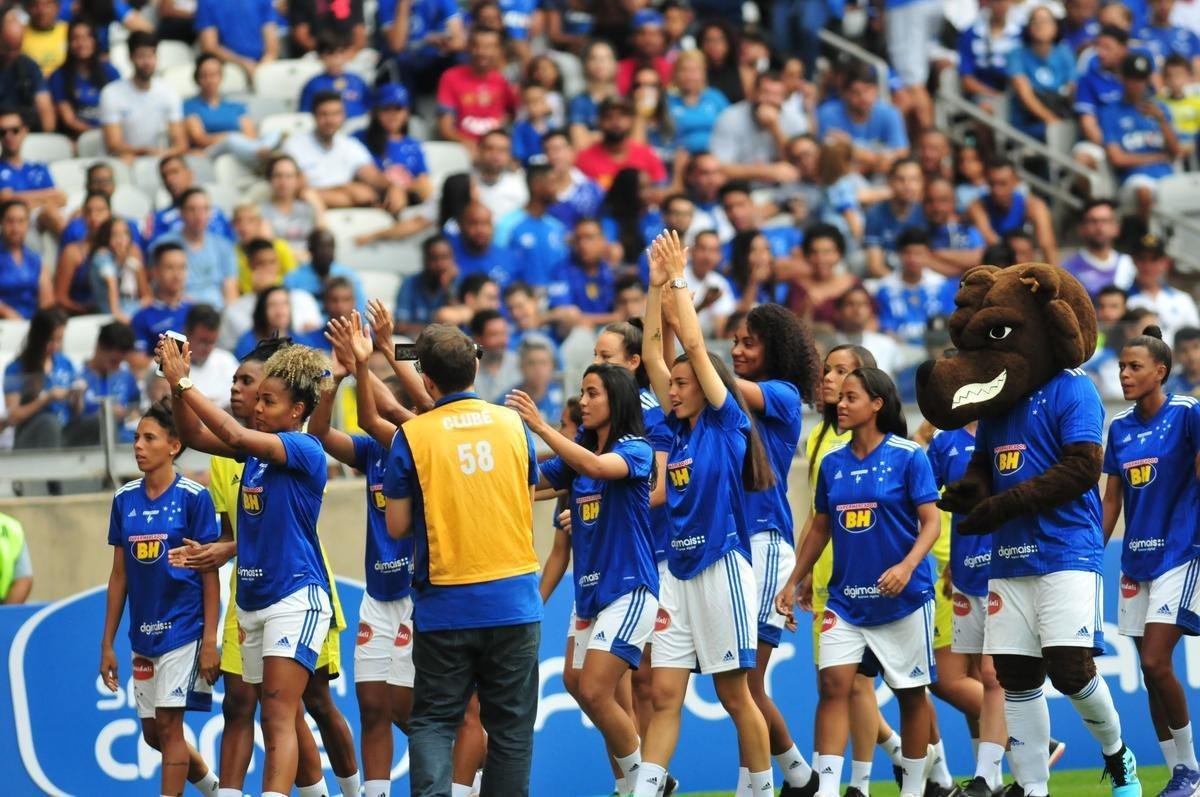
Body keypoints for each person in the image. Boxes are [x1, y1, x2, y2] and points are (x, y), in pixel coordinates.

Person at [940, 333, 1140, 797]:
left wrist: (1005, 504)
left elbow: (1082, 468)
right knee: (1015, 676)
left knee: (1070, 670)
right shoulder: (996, 402)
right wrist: (969, 491)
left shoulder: (1074, 386)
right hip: (1007, 555)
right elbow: (982, 466)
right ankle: (1034, 788)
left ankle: (1117, 753)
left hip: (1067, 549)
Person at [169, 335, 362, 797]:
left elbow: (233, 433)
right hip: (252, 602)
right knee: (270, 713)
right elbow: (194, 436)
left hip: (295, 597)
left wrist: (185, 380)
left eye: (268, 401)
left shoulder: (303, 448)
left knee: (280, 712)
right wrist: (174, 387)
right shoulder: (253, 454)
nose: (256, 406)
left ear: (296, 411)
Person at [634, 230, 774, 796]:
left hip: (723, 571)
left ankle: (761, 789)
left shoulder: (725, 424)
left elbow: (691, 347)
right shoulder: (677, 427)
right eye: (672, 387)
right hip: (677, 575)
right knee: (665, 694)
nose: (672, 389)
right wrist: (652, 287)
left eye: (683, 384)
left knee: (735, 694)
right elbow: (651, 352)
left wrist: (677, 280)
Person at [381, 321, 542, 795]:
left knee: (433, 720)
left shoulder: (412, 436)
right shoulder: (514, 425)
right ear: (476, 366)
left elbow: (397, 526)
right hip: (514, 599)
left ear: (427, 381)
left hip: (446, 604)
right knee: (511, 731)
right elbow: (525, 503)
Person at [777, 366, 940, 797]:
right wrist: (794, 581)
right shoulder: (832, 463)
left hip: (904, 600)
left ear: (877, 404)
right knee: (833, 685)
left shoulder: (909, 455)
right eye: (839, 398)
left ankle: (914, 788)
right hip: (845, 602)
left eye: (851, 397)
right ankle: (827, 789)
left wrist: (906, 567)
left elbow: (931, 524)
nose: (840, 405)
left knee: (910, 694)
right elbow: (819, 529)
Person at [509, 361, 659, 796]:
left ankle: (646, 781)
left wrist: (539, 426)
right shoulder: (578, 458)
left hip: (628, 588)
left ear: (617, 398)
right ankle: (636, 783)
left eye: (593, 393)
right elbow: (530, 482)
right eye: (583, 392)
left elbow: (594, 467)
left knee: (596, 690)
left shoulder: (636, 449)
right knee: (579, 686)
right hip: (590, 594)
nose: (585, 401)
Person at [316, 313, 422, 797]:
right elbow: (321, 437)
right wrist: (336, 379)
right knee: (373, 705)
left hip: (420, 592)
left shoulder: (422, 445)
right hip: (378, 595)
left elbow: (372, 413)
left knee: (405, 706)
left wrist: (368, 362)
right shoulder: (372, 452)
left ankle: (481, 774)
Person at [99, 399, 221, 797]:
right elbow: (119, 576)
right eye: (136, 437)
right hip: (142, 635)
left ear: (174, 446)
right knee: (154, 733)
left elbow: (209, 570)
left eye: (149, 438)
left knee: (170, 727)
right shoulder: (123, 500)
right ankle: (214, 788)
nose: (138, 445)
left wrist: (209, 640)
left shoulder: (193, 497)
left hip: (183, 630)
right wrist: (107, 645)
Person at [727, 304, 822, 795]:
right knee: (740, 686)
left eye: (749, 342)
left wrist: (678, 297)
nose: (738, 351)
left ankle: (764, 784)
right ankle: (800, 778)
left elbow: (712, 372)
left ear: (776, 350)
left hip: (764, 543)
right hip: (731, 546)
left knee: (744, 684)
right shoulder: (726, 402)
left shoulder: (782, 396)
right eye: (735, 342)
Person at [1103, 326, 1200, 797]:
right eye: (1121, 366)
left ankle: (1192, 770)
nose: (1124, 374)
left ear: (1160, 372)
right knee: (1147, 667)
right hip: (1135, 560)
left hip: (1180, 553)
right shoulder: (1119, 428)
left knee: (1158, 661)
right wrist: (1090, 554)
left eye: (1134, 367)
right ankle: (1177, 774)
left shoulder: (1188, 414)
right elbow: (1110, 502)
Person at [927, 420, 1010, 797]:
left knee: (994, 675)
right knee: (978, 674)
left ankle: (992, 774)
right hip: (963, 572)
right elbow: (921, 501)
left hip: (1008, 567)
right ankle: (992, 777)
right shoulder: (944, 442)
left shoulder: (1011, 430)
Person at [283, 92, 409, 213]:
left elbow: (372, 176)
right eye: (324, 114)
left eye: (336, 114)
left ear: (343, 116)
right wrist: (349, 190)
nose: (330, 120)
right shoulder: (294, 146)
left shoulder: (351, 145)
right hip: (311, 211)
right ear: (314, 116)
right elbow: (298, 192)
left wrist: (393, 187)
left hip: (349, 210)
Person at [1101, 52, 1182, 221]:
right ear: (1122, 78)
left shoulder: (1160, 109)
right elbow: (1117, 158)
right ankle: (1149, 239)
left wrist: (1161, 120)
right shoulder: (1110, 112)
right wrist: (1157, 157)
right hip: (1133, 180)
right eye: (1132, 79)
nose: (1137, 85)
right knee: (1144, 191)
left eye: (1141, 79)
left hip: (1166, 176)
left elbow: (1176, 152)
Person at [99, 31, 187, 162]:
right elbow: (113, 144)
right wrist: (145, 152)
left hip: (161, 159)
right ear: (130, 57)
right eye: (141, 56)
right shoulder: (111, 93)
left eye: (151, 55)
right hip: (126, 160)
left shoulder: (169, 92)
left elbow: (180, 143)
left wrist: (164, 154)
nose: (147, 62)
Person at [711, 70, 809, 184]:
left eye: (777, 95)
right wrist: (769, 171)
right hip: (741, 187)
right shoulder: (730, 118)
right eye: (766, 93)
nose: (771, 100)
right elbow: (719, 168)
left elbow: (800, 164)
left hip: (784, 188)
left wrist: (775, 129)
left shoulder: (793, 119)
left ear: (784, 98)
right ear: (753, 94)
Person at [3, 307, 76, 456]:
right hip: (33, 436)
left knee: (96, 422)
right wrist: (46, 398)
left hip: (65, 431)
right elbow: (13, 416)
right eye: (50, 340)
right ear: (38, 338)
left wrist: (77, 396)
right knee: (49, 422)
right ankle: (54, 477)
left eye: (59, 340)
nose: (55, 346)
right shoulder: (17, 368)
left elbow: (76, 412)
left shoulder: (65, 363)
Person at [183, 54, 279, 166]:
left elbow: (250, 134)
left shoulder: (235, 106)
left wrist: (229, 137)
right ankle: (263, 153)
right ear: (197, 78)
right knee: (231, 140)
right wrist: (228, 137)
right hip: (211, 151)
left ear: (221, 77)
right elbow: (200, 138)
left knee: (274, 133)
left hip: (241, 147)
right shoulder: (189, 106)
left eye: (214, 75)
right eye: (204, 76)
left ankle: (262, 151)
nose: (210, 80)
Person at [154, 188, 238, 310]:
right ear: (181, 213)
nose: (199, 215)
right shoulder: (164, 245)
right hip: (178, 311)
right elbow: (157, 287)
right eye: (192, 209)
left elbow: (231, 292)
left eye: (205, 209)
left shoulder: (224, 245)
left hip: (218, 314)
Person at [436, 26, 515, 152]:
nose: (482, 52)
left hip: (496, 151)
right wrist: (469, 144)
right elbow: (445, 128)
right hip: (463, 149)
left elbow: (514, 115)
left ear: (498, 50)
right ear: (468, 48)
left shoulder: (503, 80)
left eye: (489, 47)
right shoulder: (450, 77)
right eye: (476, 46)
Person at [965, 158, 1058, 265]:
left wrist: (1055, 275)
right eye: (992, 184)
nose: (997, 190)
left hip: (1015, 256)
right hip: (993, 258)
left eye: (1003, 184)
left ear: (1015, 181)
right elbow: (991, 240)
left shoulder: (1033, 205)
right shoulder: (977, 206)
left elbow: (1047, 243)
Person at [576, 96, 667, 191]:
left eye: (622, 116)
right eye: (609, 116)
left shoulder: (647, 155)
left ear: (631, 120)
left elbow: (660, 190)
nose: (615, 121)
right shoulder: (584, 159)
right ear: (599, 122)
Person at [1126, 233, 1200, 345]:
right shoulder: (1123, 300)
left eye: (1154, 259)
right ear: (1134, 261)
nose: (1148, 265)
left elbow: (1195, 337)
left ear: (1165, 263)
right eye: (1142, 259)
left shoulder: (1182, 299)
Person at [74, 320, 141, 445]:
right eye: (113, 361)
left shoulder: (126, 377)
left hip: (122, 440)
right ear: (99, 347)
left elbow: (135, 407)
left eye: (120, 362)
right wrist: (105, 415)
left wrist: (128, 413)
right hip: (87, 442)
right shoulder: (77, 375)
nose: (116, 367)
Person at [48, 19, 119, 137]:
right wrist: (97, 133)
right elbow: (69, 120)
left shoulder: (109, 71)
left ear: (95, 41)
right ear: (69, 43)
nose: (81, 43)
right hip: (78, 138)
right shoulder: (59, 76)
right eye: (76, 38)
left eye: (87, 37)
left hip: (111, 135)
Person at [0, 107, 66, 233]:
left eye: (15, 130)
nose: (9, 136)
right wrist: (45, 197)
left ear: (25, 131)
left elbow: (60, 197)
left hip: (47, 215)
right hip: (15, 221)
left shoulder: (39, 167)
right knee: (51, 213)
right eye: (3, 132)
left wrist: (18, 197)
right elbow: (5, 201)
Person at [131, 242, 192, 363]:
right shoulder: (142, 317)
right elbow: (137, 362)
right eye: (170, 268)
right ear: (155, 272)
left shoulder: (195, 310)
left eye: (182, 267)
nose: (177, 274)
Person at [864, 159, 926, 277]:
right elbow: (875, 266)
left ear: (922, 182)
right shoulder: (876, 213)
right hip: (888, 277)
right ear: (890, 181)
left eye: (914, 179)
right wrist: (898, 285)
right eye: (901, 179)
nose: (908, 185)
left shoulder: (926, 212)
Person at [0, 4, 55, 133]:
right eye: (7, 48)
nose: (12, 54)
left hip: (23, 134)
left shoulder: (29, 67)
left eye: (17, 48)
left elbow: (47, 114)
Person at [260, 155, 322, 261]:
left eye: (289, 176)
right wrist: (300, 256)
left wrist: (317, 203)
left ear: (297, 180)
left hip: (311, 264)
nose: (283, 182)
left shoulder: (307, 208)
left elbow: (323, 237)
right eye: (278, 176)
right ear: (270, 179)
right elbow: (269, 246)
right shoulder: (261, 211)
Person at [195, 0, 278, 80]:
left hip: (262, 65)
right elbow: (210, 46)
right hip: (229, 69)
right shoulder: (207, 1)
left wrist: (262, 69)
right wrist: (245, 64)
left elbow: (272, 47)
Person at [299, 31, 372, 119]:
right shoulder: (313, 84)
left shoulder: (358, 81)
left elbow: (371, 109)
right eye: (330, 55)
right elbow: (305, 116)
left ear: (347, 54)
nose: (336, 60)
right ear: (321, 57)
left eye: (340, 53)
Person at [89, 217, 148, 322]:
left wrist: (133, 261)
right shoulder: (102, 256)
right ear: (106, 237)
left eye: (125, 234)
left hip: (133, 311)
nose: (121, 239)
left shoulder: (131, 256)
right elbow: (111, 283)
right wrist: (118, 315)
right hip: (110, 317)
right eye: (115, 235)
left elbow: (146, 296)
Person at [0, 199, 51, 319]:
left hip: (31, 324)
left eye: (21, 221)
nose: (15, 227)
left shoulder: (35, 259)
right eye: (10, 221)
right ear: (2, 223)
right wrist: (6, 313)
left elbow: (47, 300)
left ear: (27, 224)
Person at [0, 511, 32, 603]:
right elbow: (23, 580)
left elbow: (23, 580)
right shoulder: (11, 527)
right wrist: (6, 615)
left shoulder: (12, 528)